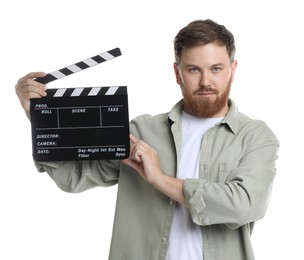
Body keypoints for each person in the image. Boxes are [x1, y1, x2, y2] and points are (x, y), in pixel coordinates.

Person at [15, 19, 279, 260]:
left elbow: (245, 204)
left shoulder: (255, 137)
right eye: (194, 69)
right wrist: (39, 117)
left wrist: (159, 179)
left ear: (232, 70)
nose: (205, 81)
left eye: (216, 68)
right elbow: (73, 177)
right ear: (178, 73)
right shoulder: (141, 132)